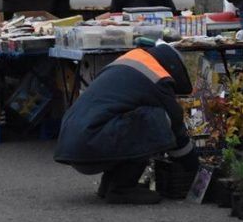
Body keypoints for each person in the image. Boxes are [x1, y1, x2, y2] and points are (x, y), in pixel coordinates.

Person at [54, 42, 198, 204]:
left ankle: (109, 185)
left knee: (127, 120)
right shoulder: (157, 78)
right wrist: (194, 166)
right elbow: (177, 128)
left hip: (73, 143)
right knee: (156, 121)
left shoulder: (128, 62)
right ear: (175, 68)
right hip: (91, 145)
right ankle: (122, 189)